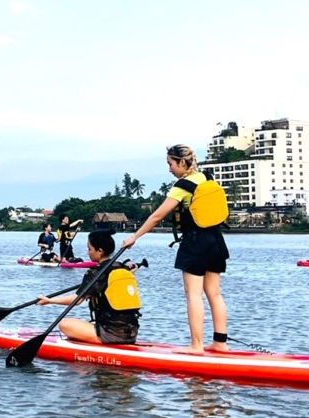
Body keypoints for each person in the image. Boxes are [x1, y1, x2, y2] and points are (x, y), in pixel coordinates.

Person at [122, 144, 230, 354]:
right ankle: (220, 342)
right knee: (214, 294)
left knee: (193, 295)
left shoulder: (183, 185)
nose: (169, 169)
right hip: (216, 240)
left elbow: (157, 216)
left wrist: (134, 237)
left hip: (195, 242)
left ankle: (196, 346)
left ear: (181, 162)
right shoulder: (206, 178)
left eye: (170, 164)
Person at [37, 230, 141, 344]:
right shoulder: (122, 268)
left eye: (89, 249)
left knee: (64, 324)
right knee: (88, 324)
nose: (88, 253)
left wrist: (49, 301)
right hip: (131, 334)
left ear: (100, 251)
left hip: (110, 334)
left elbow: (76, 301)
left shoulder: (95, 273)